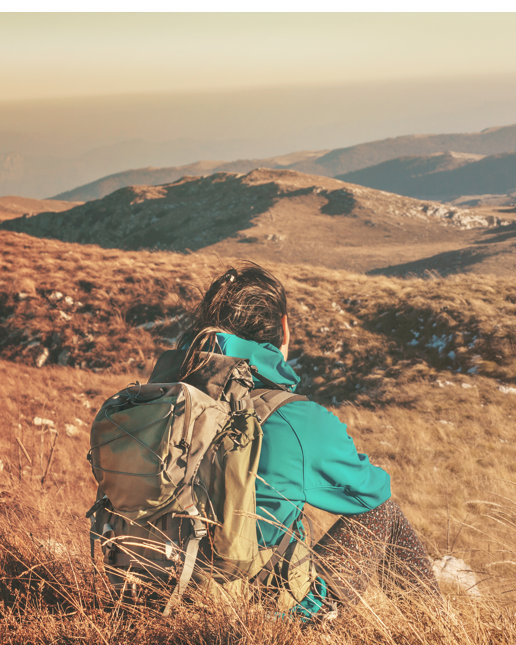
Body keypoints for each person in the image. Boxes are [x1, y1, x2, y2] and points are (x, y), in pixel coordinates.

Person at [150, 263, 440, 622]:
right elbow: (372, 492)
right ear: (283, 329)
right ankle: (434, 634)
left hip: (150, 593)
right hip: (255, 624)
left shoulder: (159, 403)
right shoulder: (295, 418)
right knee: (383, 514)